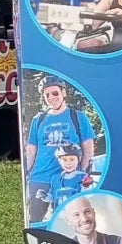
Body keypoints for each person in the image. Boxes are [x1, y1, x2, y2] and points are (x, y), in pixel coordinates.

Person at [24, 79, 96, 224]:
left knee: (67, 223)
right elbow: (31, 151)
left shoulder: (78, 117)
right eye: (47, 95)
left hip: (68, 179)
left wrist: (82, 175)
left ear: (63, 93)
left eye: (55, 93)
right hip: (40, 178)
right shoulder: (38, 119)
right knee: (36, 222)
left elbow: (88, 151)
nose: (51, 98)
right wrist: (26, 173)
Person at [51, 142, 93, 209]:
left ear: (78, 160)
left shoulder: (83, 177)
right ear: (59, 161)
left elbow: (89, 197)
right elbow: (53, 197)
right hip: (58, 215)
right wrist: (45, 197)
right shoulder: (55, 179)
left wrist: (86, 186)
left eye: (72, 159)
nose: (68, 163)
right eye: (64, 160)